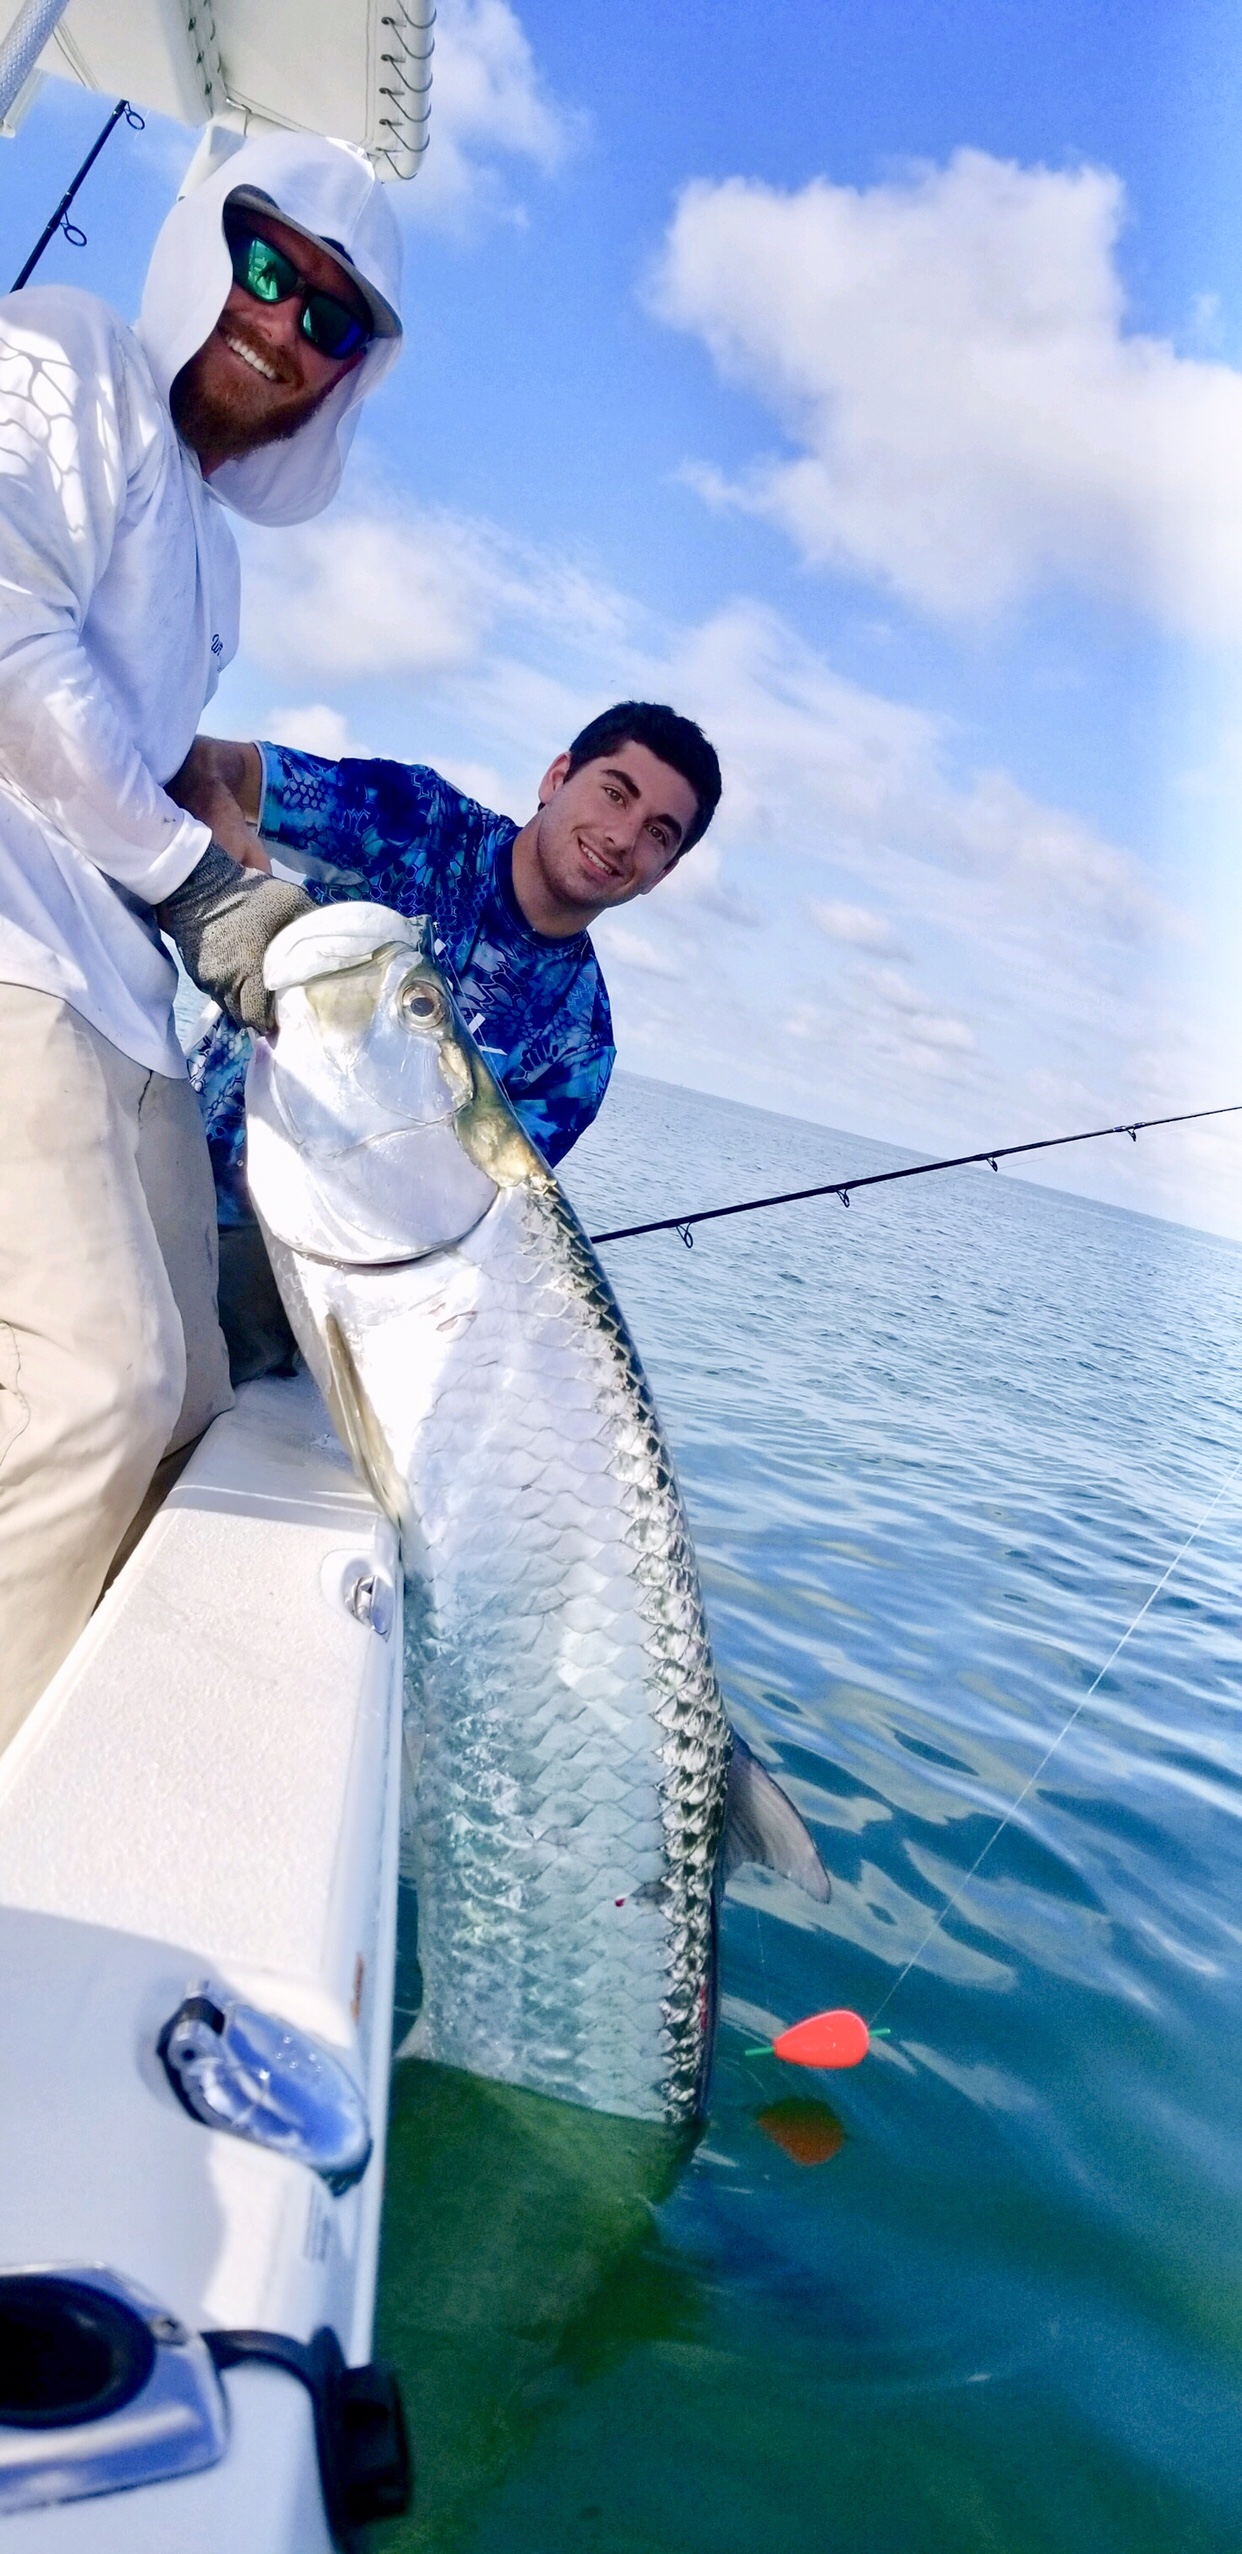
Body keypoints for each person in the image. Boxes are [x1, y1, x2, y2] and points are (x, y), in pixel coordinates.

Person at [0, 132, 404, 1743]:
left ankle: (74, 1765)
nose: (281, 322)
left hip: (127, 1007)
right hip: (17, 956)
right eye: (264, 262)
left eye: (330, 315)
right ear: (203, 252)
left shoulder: (218, 564)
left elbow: (155, 747)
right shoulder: (64, 353)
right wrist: (198, 877)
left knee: (187, 1406)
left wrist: (252, 892)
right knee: (98, 1386)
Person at [170, 703, 722, 1379]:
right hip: (171, 1148)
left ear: (663, 872)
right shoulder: (419, 824)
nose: (621, 836)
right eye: (615, 792)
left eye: (658, 834)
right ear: (556, 777)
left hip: (301, 1269)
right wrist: (233, 876)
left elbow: (466, 1227)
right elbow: (208, 764)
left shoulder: (578, 1052)